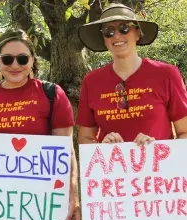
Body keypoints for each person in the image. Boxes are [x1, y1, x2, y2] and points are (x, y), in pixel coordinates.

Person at [0, 30, 81, 220]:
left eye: (22, 58)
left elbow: (66, 152)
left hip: (39, 205)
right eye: (7, 59)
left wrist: (73, 196)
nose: (15, 66)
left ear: (32, 59)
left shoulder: (52, 94)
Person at [77, 3, 187, 144]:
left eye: (124, 28)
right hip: (112, 165)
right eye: (108, 31)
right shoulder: (91, 81)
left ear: (138, 33)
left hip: (158, 164)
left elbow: (185, 133)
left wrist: (157, 147)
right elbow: (85, 138)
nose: (116, 35)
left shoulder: (167, 74)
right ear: (104, 39)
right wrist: (102, 148)